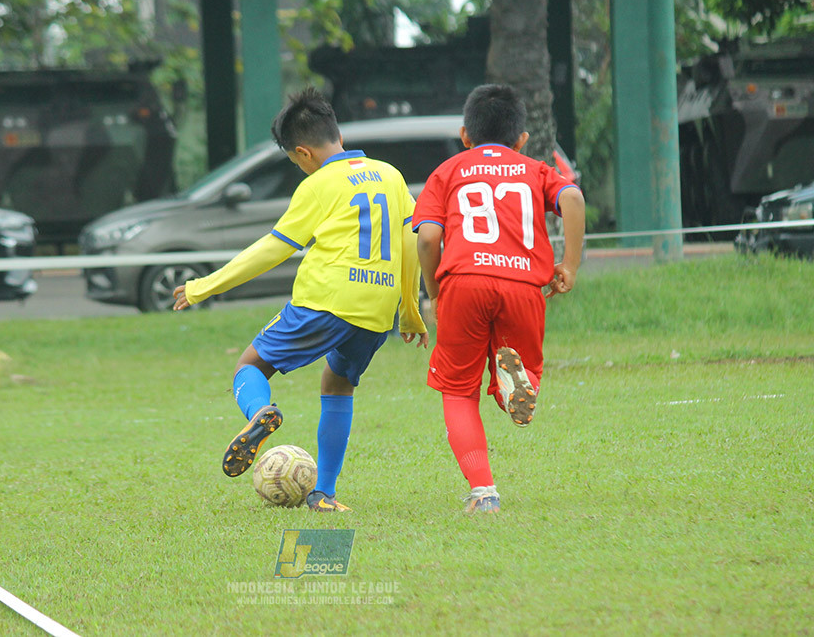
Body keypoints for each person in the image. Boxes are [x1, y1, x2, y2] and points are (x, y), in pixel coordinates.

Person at [173, 87, 429, 512]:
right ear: (338, 134)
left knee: (251, 366)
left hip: (326, 299)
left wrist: (206, 285)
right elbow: (409, 242)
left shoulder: (319, 184)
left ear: (303, 153)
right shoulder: (391, 175)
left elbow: (274, 248)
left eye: (296, 163)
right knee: (338, 383)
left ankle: (259, 413)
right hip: (378, 307)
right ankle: (324, 494)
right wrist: (410, 310)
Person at [412, 83, 585, 516]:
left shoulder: (448, 171)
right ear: (522, 138)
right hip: (524, 286)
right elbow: (574, 197)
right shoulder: (534, 168)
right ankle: (513, 391)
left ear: (465, 135)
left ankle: (483, 492)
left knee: (458, 392)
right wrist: (570, 265)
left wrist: (434, 293)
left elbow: (429, 237)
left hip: (464, 282)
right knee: (521, 368)